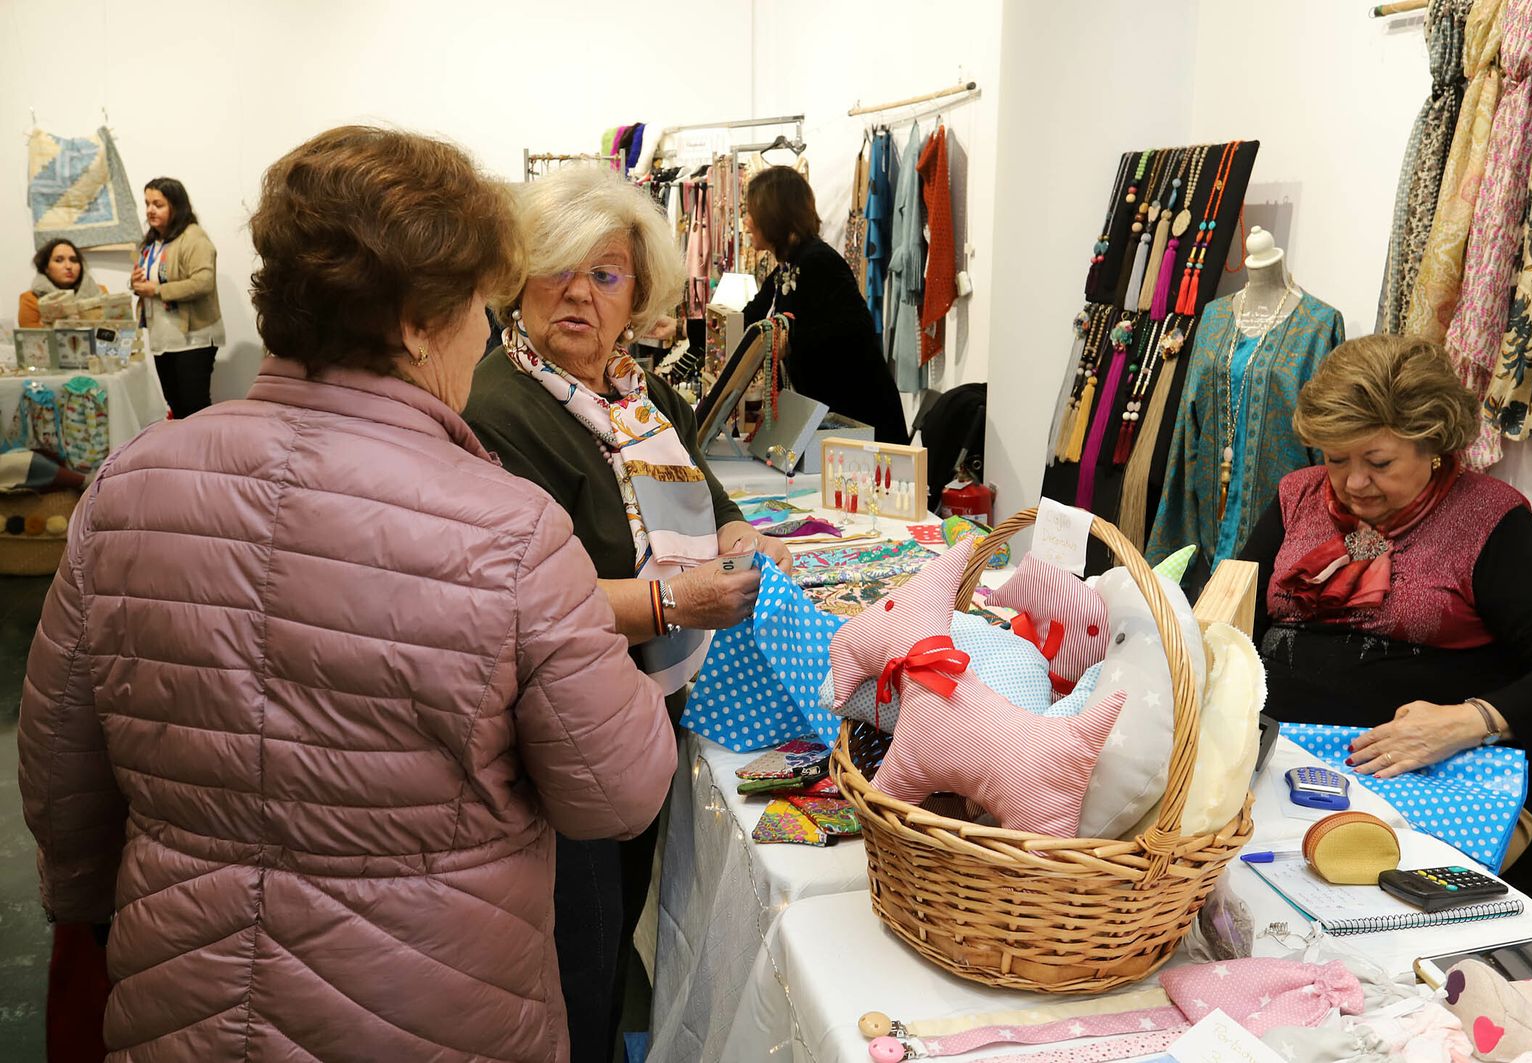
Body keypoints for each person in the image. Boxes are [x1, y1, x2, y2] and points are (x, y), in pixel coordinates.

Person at [19, 126, 676, 1063]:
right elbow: (618, 792)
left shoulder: (127, 490)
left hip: (183, 1003)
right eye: (475, 309)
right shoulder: (512, 531)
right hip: (432, 1008)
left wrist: (104, 912)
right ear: (415, 321)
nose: (487, 333)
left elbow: (60, 774)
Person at [464, 165, 791, 1062]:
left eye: (604, 275)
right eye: (555, 268)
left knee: (617, 922)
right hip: (565, 732)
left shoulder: (634, 392)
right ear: (514, 280)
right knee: (581, 949)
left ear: (636, 294)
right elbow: (531, 600)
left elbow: (706, 486)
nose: (578, 291)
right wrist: (677, 600)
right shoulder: (499, 407)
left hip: (649, 702)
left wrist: (742, 534)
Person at [1237, 334, 1532, 932]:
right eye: (1334, 457)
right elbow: (1234, 618)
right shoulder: (1298, 496)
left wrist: (1471, 721)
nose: (1352, 483)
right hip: (1283, 766)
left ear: (1433, 445)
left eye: (1378, 463)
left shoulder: (1487, 520)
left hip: (1413, 787)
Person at [741, 165, 910, 443]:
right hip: (832, 424)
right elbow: (748, 319)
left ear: (773, 216)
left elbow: (855, 328)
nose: (746, 221)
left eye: (751, 213)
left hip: (860, 425)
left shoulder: (818, 262)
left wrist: (791, 339)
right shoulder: (787, 266)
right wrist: (683, 328)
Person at [131, 177, 225, 418]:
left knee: (194, 407)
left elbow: (202, 283)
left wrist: (157, 290)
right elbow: (150, 280)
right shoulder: (153, 241)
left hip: (193, 337)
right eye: (147, 204)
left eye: (158, 204)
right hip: (163, 337)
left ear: (177, 206)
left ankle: (204, 455)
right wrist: (137, 284)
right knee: (176, 405)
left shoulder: (194, 238)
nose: (150, 210)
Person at [18, 239, 102, 327]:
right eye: (59, 260)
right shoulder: (31, 299)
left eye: (74, 260)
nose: (69, 266)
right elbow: (32, 338)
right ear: (46, 268)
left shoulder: (99, 292)